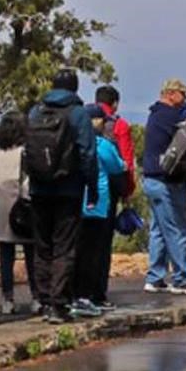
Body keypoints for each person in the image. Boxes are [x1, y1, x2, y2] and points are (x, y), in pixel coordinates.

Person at [26, 71, 97, 324]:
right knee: (64, 247)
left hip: (38, 188)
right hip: (68, 188)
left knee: (42, 246)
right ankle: (59, 304)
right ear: (75, 88)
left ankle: (43, 301)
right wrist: (93, 187)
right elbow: (88, 153)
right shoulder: (78, 114)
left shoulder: (36, 112)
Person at [141, 79, 186, 296]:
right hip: (166, 181)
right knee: (177, 229)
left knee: (158, 231)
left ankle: (155, 278)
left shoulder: (155, 114)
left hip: (151, 180)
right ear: (171, 94)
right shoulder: (170, 115)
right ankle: (182, 279)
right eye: (183, 94)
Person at [80, 106, 126, 313]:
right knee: (96, 252)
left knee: (78, 251)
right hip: (98, 204)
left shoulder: (75, 143)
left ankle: (76, 295)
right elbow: (117, 166)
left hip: (76, 203)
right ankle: (94, 295)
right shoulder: (102, 145)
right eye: (102, 120)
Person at [0, 111, 33, 316]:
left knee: (5, 256)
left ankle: (7, 299)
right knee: (30, 254)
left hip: (0, 204)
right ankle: (36, 296)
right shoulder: (24, 152)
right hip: (21, 206)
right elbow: (26, 180)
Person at [94, 86, 137, 197]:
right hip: (110, 182)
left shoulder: (83, 118)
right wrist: (128, 188)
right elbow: (126, 158)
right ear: (115, 104)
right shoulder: (120, 125)